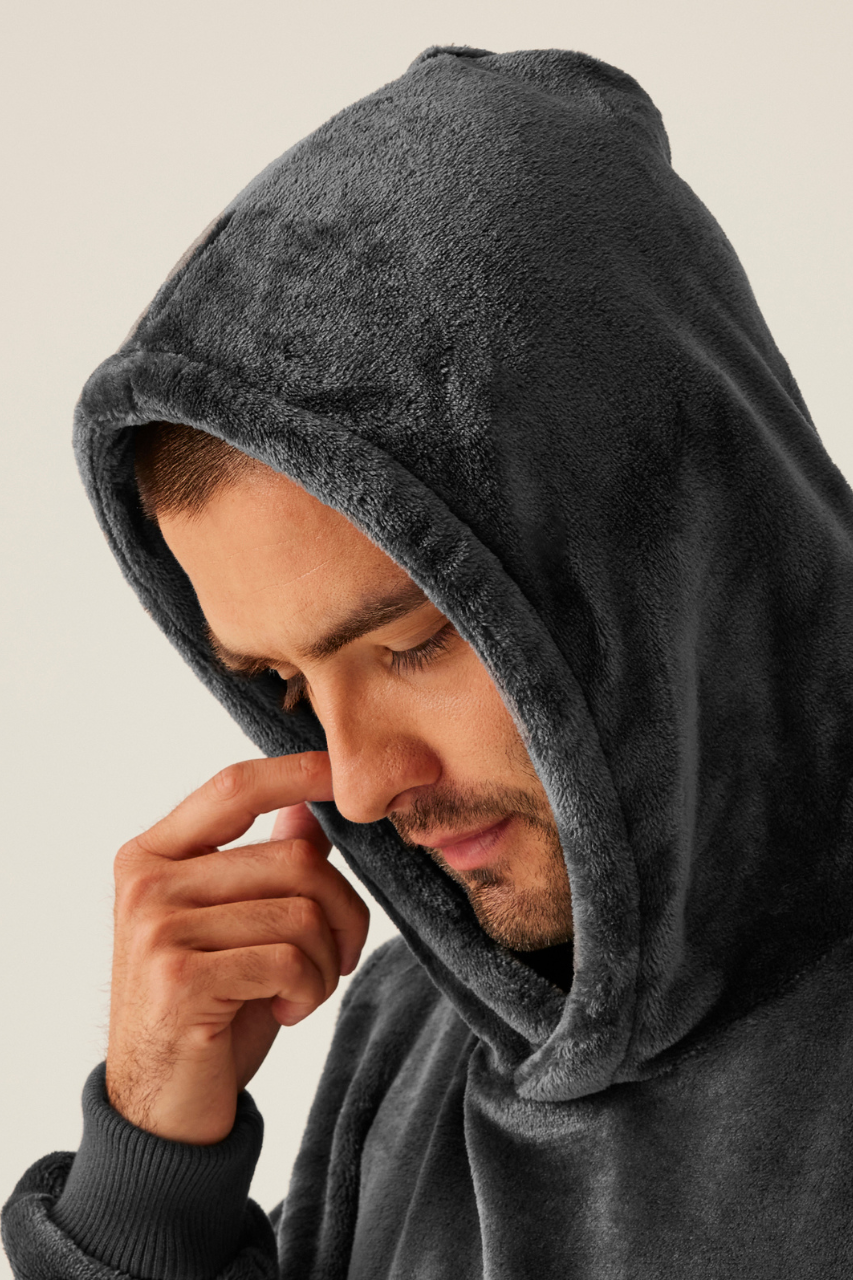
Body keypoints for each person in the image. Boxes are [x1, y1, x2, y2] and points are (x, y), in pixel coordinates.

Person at [3, 40, 853, 1280]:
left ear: (659, 539)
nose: (355, 785)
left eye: (411, 642)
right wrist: (152, 1176)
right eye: (284, 686)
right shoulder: (412, 1037)